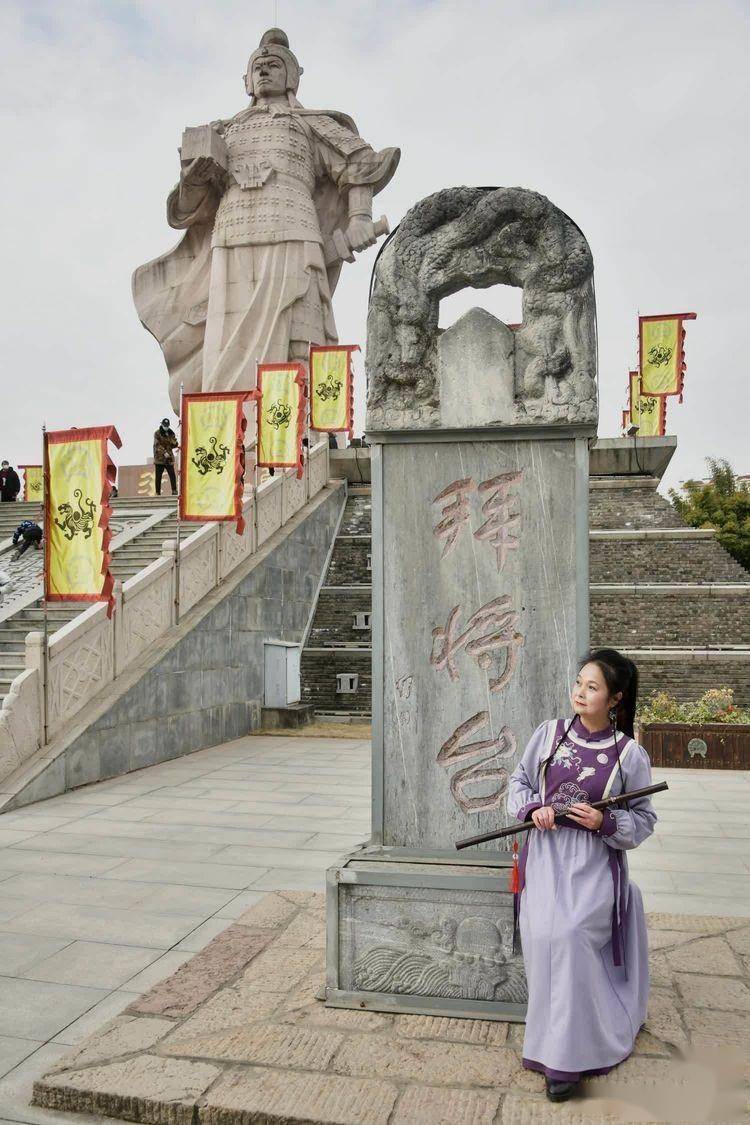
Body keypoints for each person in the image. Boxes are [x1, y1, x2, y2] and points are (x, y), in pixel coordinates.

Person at [133, 28, 399, 410]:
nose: (264, 72)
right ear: (246, 79)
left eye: (274, 65)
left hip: (294, 228)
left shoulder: (308, 123)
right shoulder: (224, 131)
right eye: (257, 67)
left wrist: (360, 215)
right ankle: (230, 423)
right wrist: (193, 177)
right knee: (226, 343)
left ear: (292, 75)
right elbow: (187, 208)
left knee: (301, 331)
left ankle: (301, 427)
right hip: (233, 234)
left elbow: (358, 164)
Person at [507, 648, 655, 1103]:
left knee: (570, 937)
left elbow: (644, 819)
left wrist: (605, 822)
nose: (580, 692)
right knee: (541, 938)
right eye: (578, 683)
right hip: (546, 858)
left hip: (593, 864)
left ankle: (569, 1062)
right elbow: (518, 783)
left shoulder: (628, 754)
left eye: (592, 687)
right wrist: (534, 809)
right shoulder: (549, 735)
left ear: (615, 699)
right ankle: (548, 1042)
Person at [153, 418, 178, 495]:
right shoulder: (157, 433)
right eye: (164, 426)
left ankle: (174, 490)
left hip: (169, 458)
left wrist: (174, 442)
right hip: (159, 458)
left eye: (167, 426)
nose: (166, 427)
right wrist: (164, 452)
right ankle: (158, 492)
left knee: (172, 475)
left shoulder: (171, 433)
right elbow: (157, 445)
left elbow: (175, 444)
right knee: (158, 476)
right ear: (162, 425)